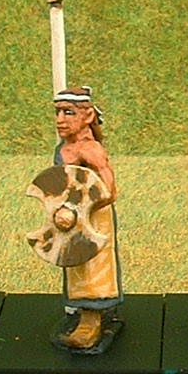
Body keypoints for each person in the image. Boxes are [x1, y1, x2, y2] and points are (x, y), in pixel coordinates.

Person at [51, 86, 122, 349]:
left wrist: (81, 208)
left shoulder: (90, 150)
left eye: (68, 112)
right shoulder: (64, 148)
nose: (60, 119)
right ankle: (82, 313)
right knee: (75, 265)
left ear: (88, 115)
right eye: (58, 112)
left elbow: (110, 191)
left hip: (93, 219)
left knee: (93, 268)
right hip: (69, 219)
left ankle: (91, 320)